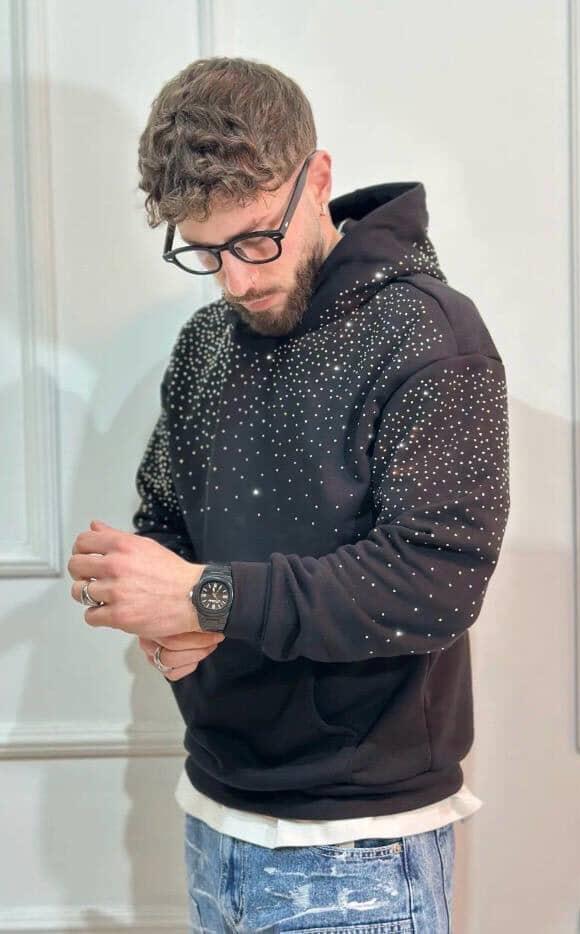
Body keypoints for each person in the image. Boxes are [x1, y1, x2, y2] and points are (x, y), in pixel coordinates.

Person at [71, 56, 511, 932]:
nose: (236, 280)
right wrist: (153, 601)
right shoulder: (207, 342)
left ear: (316, 180)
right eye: (205, 252)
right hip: (212, 807)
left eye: (253, 240)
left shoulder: (428, 333)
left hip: (361, 847)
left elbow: (434, 582)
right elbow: (168, 517)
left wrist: (205, 597)